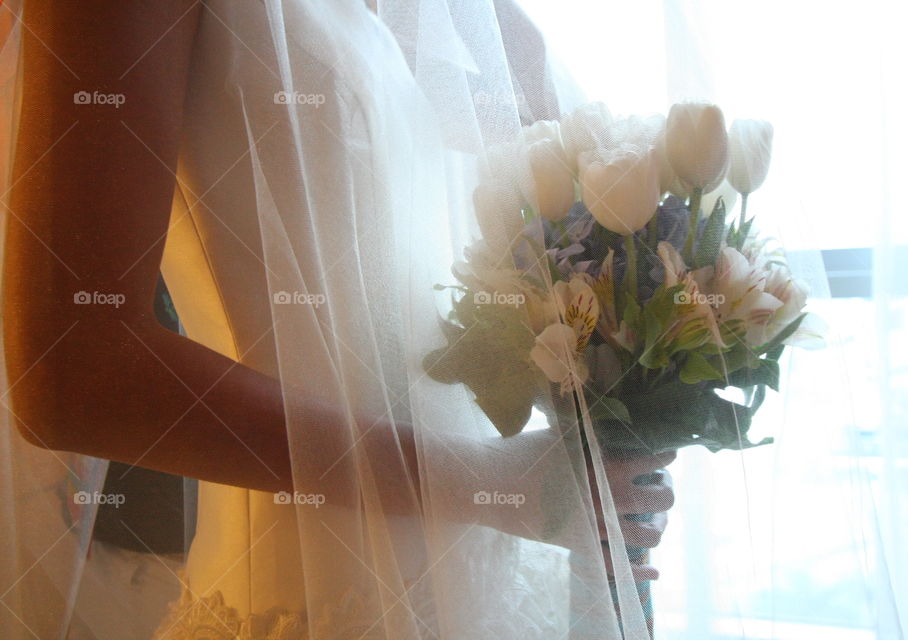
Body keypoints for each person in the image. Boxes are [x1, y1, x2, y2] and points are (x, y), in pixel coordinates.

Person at [2, 1, 674, 637]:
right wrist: (485, 482)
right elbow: (70, 373)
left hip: (494, 571)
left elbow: (565, 158)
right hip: (313, 603)